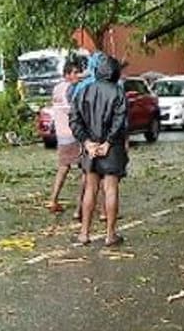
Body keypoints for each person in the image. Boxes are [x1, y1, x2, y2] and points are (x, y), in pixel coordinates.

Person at [70, 55, 128, 247]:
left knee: (90, 188)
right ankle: (110, 234)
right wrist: (109, 142)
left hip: (91, 147)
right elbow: (120, 120)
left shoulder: (84, 91)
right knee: (111, 189)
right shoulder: (118, 92)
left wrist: (86, 142)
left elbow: (74, 119)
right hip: (112, 148)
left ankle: (84, 233)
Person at [46, 60, 82, 213]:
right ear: (67, 75)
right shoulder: (71, 89)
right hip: (73, 134)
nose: (78, 75)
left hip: (61, 134)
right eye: (75, 72)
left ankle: (53, 200)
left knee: (63, 167)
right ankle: (80, 207)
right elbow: (73, 111)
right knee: (87, 170)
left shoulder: (57, 88)